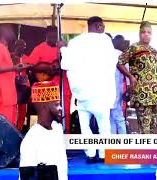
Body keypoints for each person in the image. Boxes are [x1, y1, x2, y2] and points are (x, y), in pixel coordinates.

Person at [61, 16, 116, 163]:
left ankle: (90, 154)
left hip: (82, 94)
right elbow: (113, 62)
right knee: (104, 127)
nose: (104, 29)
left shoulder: (74, 42)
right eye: (102, 26)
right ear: (98, 26)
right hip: (101, 93)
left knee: (85, 127)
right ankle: (104, 155)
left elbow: (65, 65)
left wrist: (62, 48)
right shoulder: (105, 41)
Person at [117, 21, 157, 134]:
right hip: (141, 94)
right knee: (144, 129)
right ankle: (144, 151)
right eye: (143, 32)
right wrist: (130, 76)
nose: (146, 34)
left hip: (155, 95)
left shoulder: (154, 51)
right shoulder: (134, 48)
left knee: (153, 129)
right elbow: (120, 63)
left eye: (149, 32)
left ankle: (150, 151)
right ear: (139, 33)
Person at [28, 26, 72, 134]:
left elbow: (72, 63)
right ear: (46, 35)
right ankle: (47, 138)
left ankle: (65, 137)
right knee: (47, 116)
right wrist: (47, 70)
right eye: (51, 36)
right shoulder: (39, 48)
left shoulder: (64, 47)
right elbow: (30, 65)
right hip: (46, 90)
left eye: (55, 36)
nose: (53, 39)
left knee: (65, 113)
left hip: (63, 87)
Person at [19, 81, 67, 180]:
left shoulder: (57, 128)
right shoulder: (31, 140)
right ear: (44, 107)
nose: (61, 108)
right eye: (56, 104)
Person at [0, 24, 26, 125]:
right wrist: (14, 68)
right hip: (3, 96)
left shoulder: (4, 48)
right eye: (9, 29)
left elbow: (5, 71)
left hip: (9, 95)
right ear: (1, 31)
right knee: (5, 127)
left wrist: (16, 74)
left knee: (10, 125)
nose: (12, 31)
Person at [11, 39, 30, 131]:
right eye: (19, 45)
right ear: (15, 46)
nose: (21, 47)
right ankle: (11, 127)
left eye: (23, 46)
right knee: (13, 108)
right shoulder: (10, 56)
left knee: (23, 109)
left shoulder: (27, 57)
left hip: (23, 85)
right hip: (12, 84)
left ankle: (19, 128)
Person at [110, 35, 127, 134]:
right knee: (112, 116)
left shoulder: (121, 55)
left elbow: (127, 73)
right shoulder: (111, 53)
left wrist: (128, 88)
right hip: (113, 88)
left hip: (117, 89)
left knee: (117, 116)